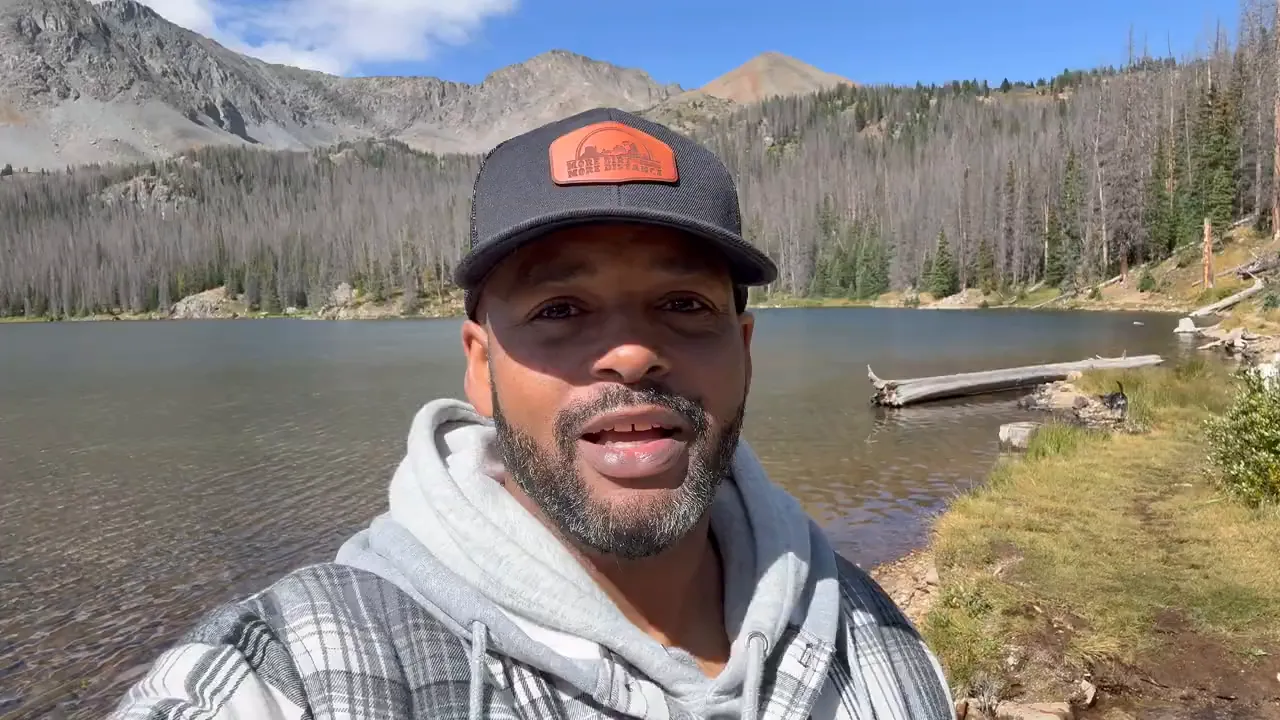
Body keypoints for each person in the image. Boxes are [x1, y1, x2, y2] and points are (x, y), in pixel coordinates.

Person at [112, 107, 954, 720]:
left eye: (682, 305)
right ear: (480, 367)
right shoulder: (311, 666)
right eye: (560, 310)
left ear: (743, 349)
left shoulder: (876, 638)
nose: (631, 354)